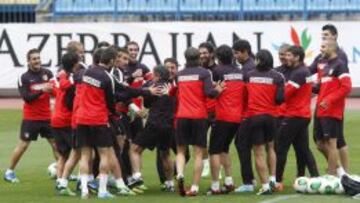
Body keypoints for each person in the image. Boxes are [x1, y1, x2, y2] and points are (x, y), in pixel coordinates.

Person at [175, 47, 225, 196]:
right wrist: (219, 89)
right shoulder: (204, 73)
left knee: (180, 151)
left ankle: (180, 174)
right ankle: (195, 187)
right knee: (198, 153)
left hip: (182, 115)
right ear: (198, 58)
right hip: (199, 116)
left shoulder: (179, 74)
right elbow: (209, 94)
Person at [4, 49, 58, 183]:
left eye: (38, 58)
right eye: (34, 59)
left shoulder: (48, 73)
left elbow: (55, 91)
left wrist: (54, 91)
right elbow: (27, 98)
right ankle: (9, 172)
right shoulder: (24, 77)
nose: (37, 61)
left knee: (56, 145)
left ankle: (62, 173)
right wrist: (42, 91)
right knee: (23, 146)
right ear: (28, 61)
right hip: (31, 118)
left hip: (47, 117)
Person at [275, 46, 319, 191]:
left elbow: (284, 95)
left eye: (289, 55)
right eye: (285, 55)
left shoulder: (298, 73)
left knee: (280, 147)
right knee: (303, 148)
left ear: (297, 57)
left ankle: (277, 181)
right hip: (303, 115)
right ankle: (315, 177)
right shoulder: (304, 71)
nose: (286, 58)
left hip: (293, 116)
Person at [76, 47, 118, 199]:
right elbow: (110, 101)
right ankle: (102, 191)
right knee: (104, 154)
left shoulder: (87, 72)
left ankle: (84, 191)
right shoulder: (107, 77)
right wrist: (114, 113)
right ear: (111, 61)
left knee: (85, 156)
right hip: (98, 119)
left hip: (82, 118)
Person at [309, 24, 350, 173]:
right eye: (322, 36)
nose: (324, 39)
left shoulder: (340, 59)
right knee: (320, 143)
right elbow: (310, 73)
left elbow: (344, 85)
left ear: (334, 37)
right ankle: (338, 171)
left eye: (326, 36)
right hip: (321, 105)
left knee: (338, 141)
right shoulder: (321, 58)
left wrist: (330, 99)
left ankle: (342, 173)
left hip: (333, 107)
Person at [130, 65, 176, 192]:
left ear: (159, 76)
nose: (152, 78)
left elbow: (147, 104)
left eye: (154, 75)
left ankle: (137, 176)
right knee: (165, 154)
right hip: (168, 125)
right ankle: (170, 183)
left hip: (154, 124)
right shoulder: (173, 87)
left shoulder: (153, 87)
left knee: (134, 149)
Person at [207, 45, 246, 195]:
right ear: (232, 56)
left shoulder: (217, 71)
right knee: (224, 149)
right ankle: (229, 182)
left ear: (217, 57)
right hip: (237, 117)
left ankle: (215, 186)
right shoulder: (240, 72)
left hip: (222, 116)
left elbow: (213, 93)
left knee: (214, 151)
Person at [245, 49, 284, 195]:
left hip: (254, 116)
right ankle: (273, 178)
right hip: (271, 117)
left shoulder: (249, 76)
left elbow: (245, 95)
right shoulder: (278, 76)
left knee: (258, 152)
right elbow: (280, 99)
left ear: (259, 60)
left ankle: (265, 185)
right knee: (271, 147)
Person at [51, 51, 80, 188]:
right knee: (78, 152)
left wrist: (62, 75)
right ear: (75, 64)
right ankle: (70, 181)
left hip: (56, 119)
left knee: (63, 155)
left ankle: (59, 181)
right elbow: (67, 89)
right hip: (66, 121)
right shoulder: (72, 80)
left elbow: (61, 89)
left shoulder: (62, 77)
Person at [232, 39, 257, 193]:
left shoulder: (248, 70)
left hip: (248, 114)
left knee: (242, 144)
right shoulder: (249, 66)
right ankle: (258, 180)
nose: (235, 56)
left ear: (245, 52)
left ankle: (249, 182)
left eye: (236, 53)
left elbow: (247, 93)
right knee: (247, 145)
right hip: (251, 113)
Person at [198, 41, 217, 178]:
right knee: (201, 139)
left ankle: (217, 168)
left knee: (216, 142)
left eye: (205, 52)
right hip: (202, 110)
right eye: (200, 53)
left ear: (211, 54)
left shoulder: (219, 69)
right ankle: (205, 164)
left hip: (216, 110)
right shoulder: (198, 70)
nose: (202, 55)